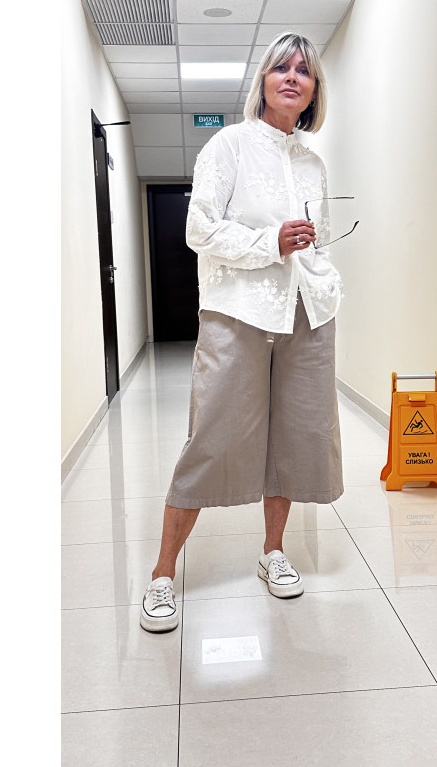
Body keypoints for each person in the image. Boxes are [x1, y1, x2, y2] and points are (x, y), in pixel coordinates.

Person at [140, 32, 344, 633]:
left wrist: (323, 277)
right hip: (238, 312)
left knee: (294, 438)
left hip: (306, 313)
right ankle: (161, 574)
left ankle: (272, 552)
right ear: (263, 81)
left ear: (314, 90)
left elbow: (316, 239)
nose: (292, 77)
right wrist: (268, 243)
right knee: (213, 436)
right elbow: (198, 230)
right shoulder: (228, 145)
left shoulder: (312, 163)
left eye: (303, 71)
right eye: (281, 67)